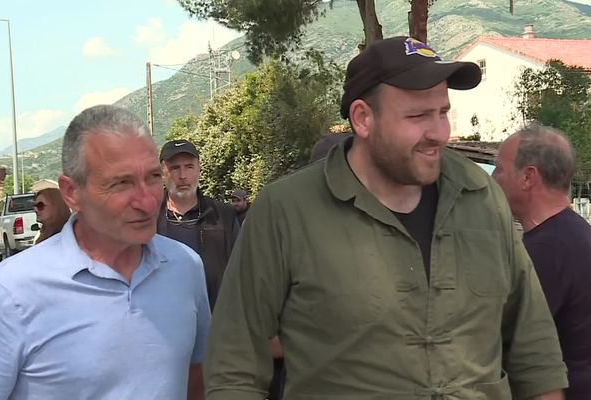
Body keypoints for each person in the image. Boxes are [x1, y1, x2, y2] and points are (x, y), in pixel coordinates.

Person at [204, 37, 567, 399]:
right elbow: (234, 367)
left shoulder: (482, 195)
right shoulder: (285, 210)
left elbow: (535, 351)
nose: (439, 133)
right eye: (417, 116)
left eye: (442, 112)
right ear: (363, 118)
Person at [0, 105, 211, 400]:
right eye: (122, 184)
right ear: (71, 193)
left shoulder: (185, 266)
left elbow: (195, 377)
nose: (147, 202)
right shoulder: (12, 290)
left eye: (153, 177)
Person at [493, 124, 591, 399]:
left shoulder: (546, 251)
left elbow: (504, 337)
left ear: (528, 177)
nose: (493, 180)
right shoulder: (576, 235)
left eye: (499, 169)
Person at [157, 139, 239, 311]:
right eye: (175, 168)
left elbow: (241, 273)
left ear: (199, 169)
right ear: (162, 172)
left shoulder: (224, 216)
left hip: (216, 321)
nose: (182, 176)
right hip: (163, 323)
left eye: (189, 166)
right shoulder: (149, 218)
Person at [31, 179, 71, 243]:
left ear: (55, 206)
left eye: (40, 205)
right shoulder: (44, 233)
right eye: (35, 205)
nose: (35, 209)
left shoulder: (67, 233)